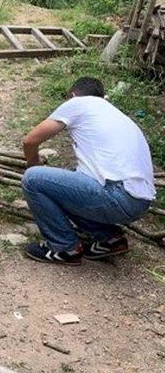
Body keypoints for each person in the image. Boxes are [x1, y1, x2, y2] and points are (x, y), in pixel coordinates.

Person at [21, 76, 155, 265]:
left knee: (33, 179)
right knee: (69, 183)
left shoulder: (78, 103)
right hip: (140, 202)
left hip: (116, 195)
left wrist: (33, 165)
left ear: (73, 95)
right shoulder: (114, 114)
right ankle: (109, 238)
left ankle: (64, 248)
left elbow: (30, 141)